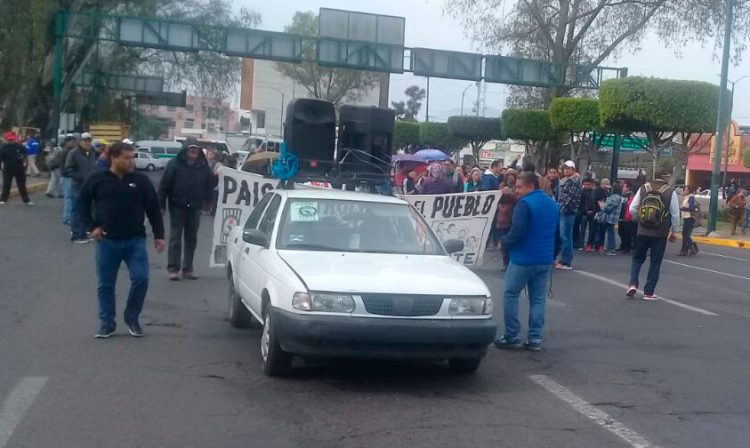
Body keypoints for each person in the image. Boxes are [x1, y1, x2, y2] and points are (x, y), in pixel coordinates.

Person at [78, 142, 165, 338]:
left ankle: (132, 318)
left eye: (132, 157)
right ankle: (107, 323)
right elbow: (82, 203)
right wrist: (91, 228)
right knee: (106, 285)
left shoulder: (141, 180)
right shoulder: (97, 179)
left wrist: (159, 235)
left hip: (135, 240)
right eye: (126, 158)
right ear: (113, 158)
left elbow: (153, 208)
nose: (131, 161)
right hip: (107, 241)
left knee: (141, 279)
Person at [494, 172, 559, 351]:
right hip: (544, 258)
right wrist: (553, 256)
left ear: (531, 186)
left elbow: (518, 231)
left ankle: (511, 335)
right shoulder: (552, 204)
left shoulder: (524, 204)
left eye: (520, 187)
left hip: (523, 257)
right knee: (538, 299)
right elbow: (556, 233)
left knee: (510, 294)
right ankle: (535, 338)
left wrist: (504, 242)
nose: (517, 190)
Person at [159, 142, 212, 281]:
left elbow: (209, 186)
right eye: (191, 149)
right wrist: (161, 205)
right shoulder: (174, 164)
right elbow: (164, 185)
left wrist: (207, 202)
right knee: (175, 238)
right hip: (177, 206)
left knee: (191, 239)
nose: (193, 152)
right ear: (185, 151)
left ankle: (188, 269)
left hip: (195, 208)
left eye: (196, 150)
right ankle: (173, 269)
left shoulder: (204, 167)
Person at [627, 170, 680, 300]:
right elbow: (675, 214)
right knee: (655, 262)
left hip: (643, 231)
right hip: (660, 233)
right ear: (665, 177)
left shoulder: (644, 188)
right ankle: (648, 292)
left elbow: (632, 208)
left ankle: (633, 284)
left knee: (637, 259)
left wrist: (640, 220)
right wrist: (674, 231)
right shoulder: (670, 192)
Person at [64, 132, 97, 243]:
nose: (87, 142)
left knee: (88, 210)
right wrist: (80, 177)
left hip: (90, 186)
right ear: (80, 141)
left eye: (89, 140)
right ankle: (77, 234)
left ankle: (85, 232)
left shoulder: (93, 152)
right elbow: (68, 169)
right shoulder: (73, 153)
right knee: (77, 210)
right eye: (85, 140)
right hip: (78, 186)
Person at [554, 160, 581, 270]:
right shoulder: (564, 181)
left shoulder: (575, 181)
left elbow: (570, 199)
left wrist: (561, 209)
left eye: (568, 168)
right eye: (565, 168)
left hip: (567, 212)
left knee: (566, 237)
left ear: (573, 169)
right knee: (558, 236)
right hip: (560, 210)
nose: (566, 170)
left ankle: (566, 261)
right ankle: (556, 258)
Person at [0, 131, 32, 205]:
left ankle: (26, 200)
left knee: (21, 185)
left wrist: (22, 157)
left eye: (12, 139)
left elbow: (25, 155)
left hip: (18, 168)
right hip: (9, 168)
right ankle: (4, 199)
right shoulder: (3, 148)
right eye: (10, 140)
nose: (11, 141)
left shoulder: (19, 146)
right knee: (7, 185)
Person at [596, 179, 622, 256]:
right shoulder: (617, 196)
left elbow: (609, 207)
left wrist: (602, 206)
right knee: (610, 232)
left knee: (610, 233)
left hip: (611, 217)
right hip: (613, 217)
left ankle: (611, 248)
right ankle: (610, 248)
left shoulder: (615, 197)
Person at [496, 178, 517, 270]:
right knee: (503, 244)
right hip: (502, 220)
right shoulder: (501, 190)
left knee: (511, 243)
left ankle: (511, 262)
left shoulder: (516, 190)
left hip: (511, 219)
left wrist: (510, 194)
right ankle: (506, 263)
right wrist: (501, 193)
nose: (510, 179)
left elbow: (517, 199)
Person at [59, 135, 79, 224]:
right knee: (68, 198)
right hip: (67, 177)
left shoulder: (67, 151)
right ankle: (67, 218)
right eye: (73, 142)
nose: (74, 144)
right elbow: (66, 166)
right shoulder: (67, 152)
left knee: (69, 197)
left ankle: (68, 217)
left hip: (66, 176)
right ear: (67, 142)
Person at [579, 178, 599, 252]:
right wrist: (585, 211)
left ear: (592, 184)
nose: (586, 186)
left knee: (592, 230)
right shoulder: (582, 192)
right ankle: (581, 244)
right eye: (585, 184)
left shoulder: (595, 192)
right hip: (584, 212)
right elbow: (580, 203)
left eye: (588, 184)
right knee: (582, 230)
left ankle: (589, 244)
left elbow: (597, 203)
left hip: (593, 213)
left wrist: (593, 211)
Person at [679, 185, 700, 256]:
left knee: (685, 233)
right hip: (685, 217)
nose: (684, 191)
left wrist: (682, 209)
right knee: (685, 234)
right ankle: (687, 249)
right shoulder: (685, 197)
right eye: (684, 190)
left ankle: (691, 247)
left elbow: (691, 208)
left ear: (689, 191)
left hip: (690, 217)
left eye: (686, 190)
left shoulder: (691, 197)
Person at [617, 182, 635, 253]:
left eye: (624, 187)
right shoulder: (621, 195)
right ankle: (623, 245)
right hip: (621, 216)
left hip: (627, 216)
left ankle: (627, 247)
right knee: (620, 232)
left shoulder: (630, 195)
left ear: (628, 188)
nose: (623, 188)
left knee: (626, 233)